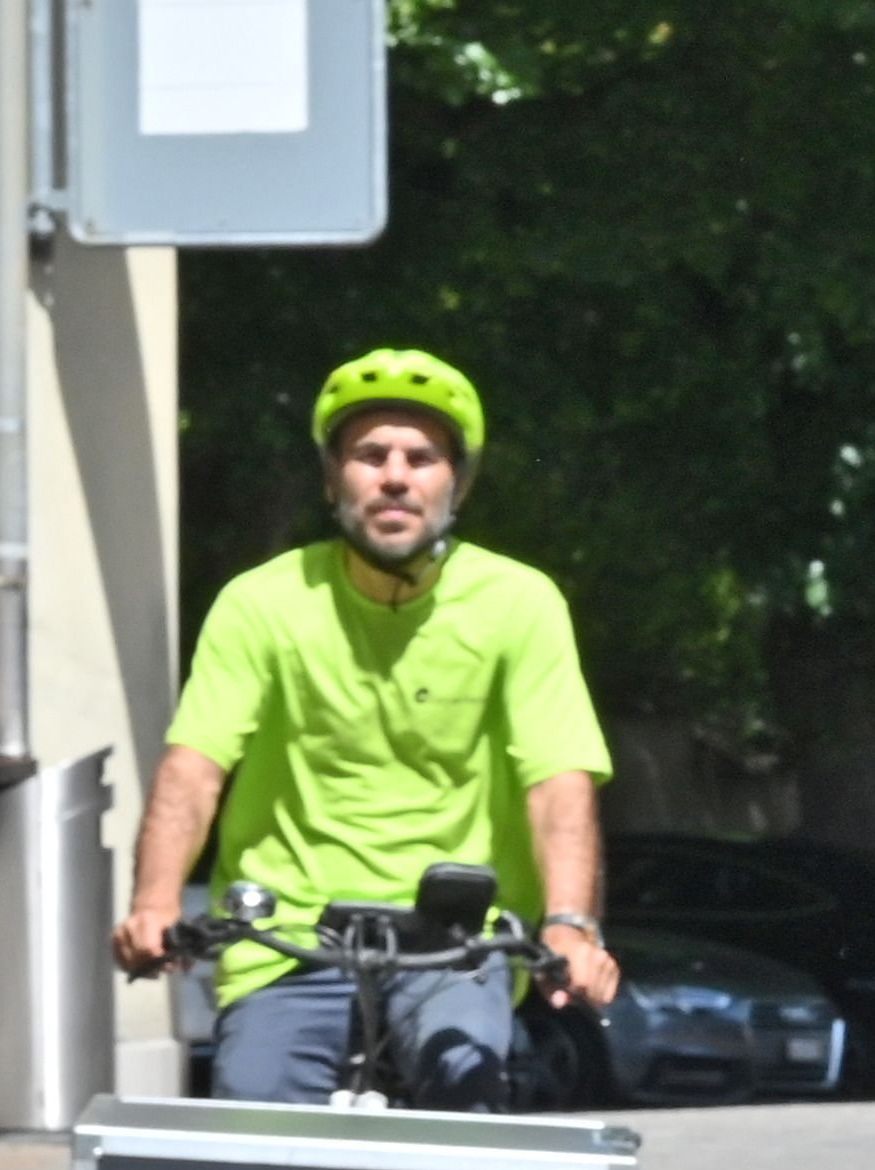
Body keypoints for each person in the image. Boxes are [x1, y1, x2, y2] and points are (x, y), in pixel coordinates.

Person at [116, 348, 619, 1104]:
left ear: (458, 483)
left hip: (457, 946)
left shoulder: (519, 603)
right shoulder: (263, 602)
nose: (394, 475)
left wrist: (571, 926)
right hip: (289, 938)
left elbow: (558, 781)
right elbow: (196, 766)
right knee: (255, 1126)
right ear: (332, 478)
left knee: (467, 1099)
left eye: (421, 457)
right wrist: (155, 904)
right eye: (368, 454)